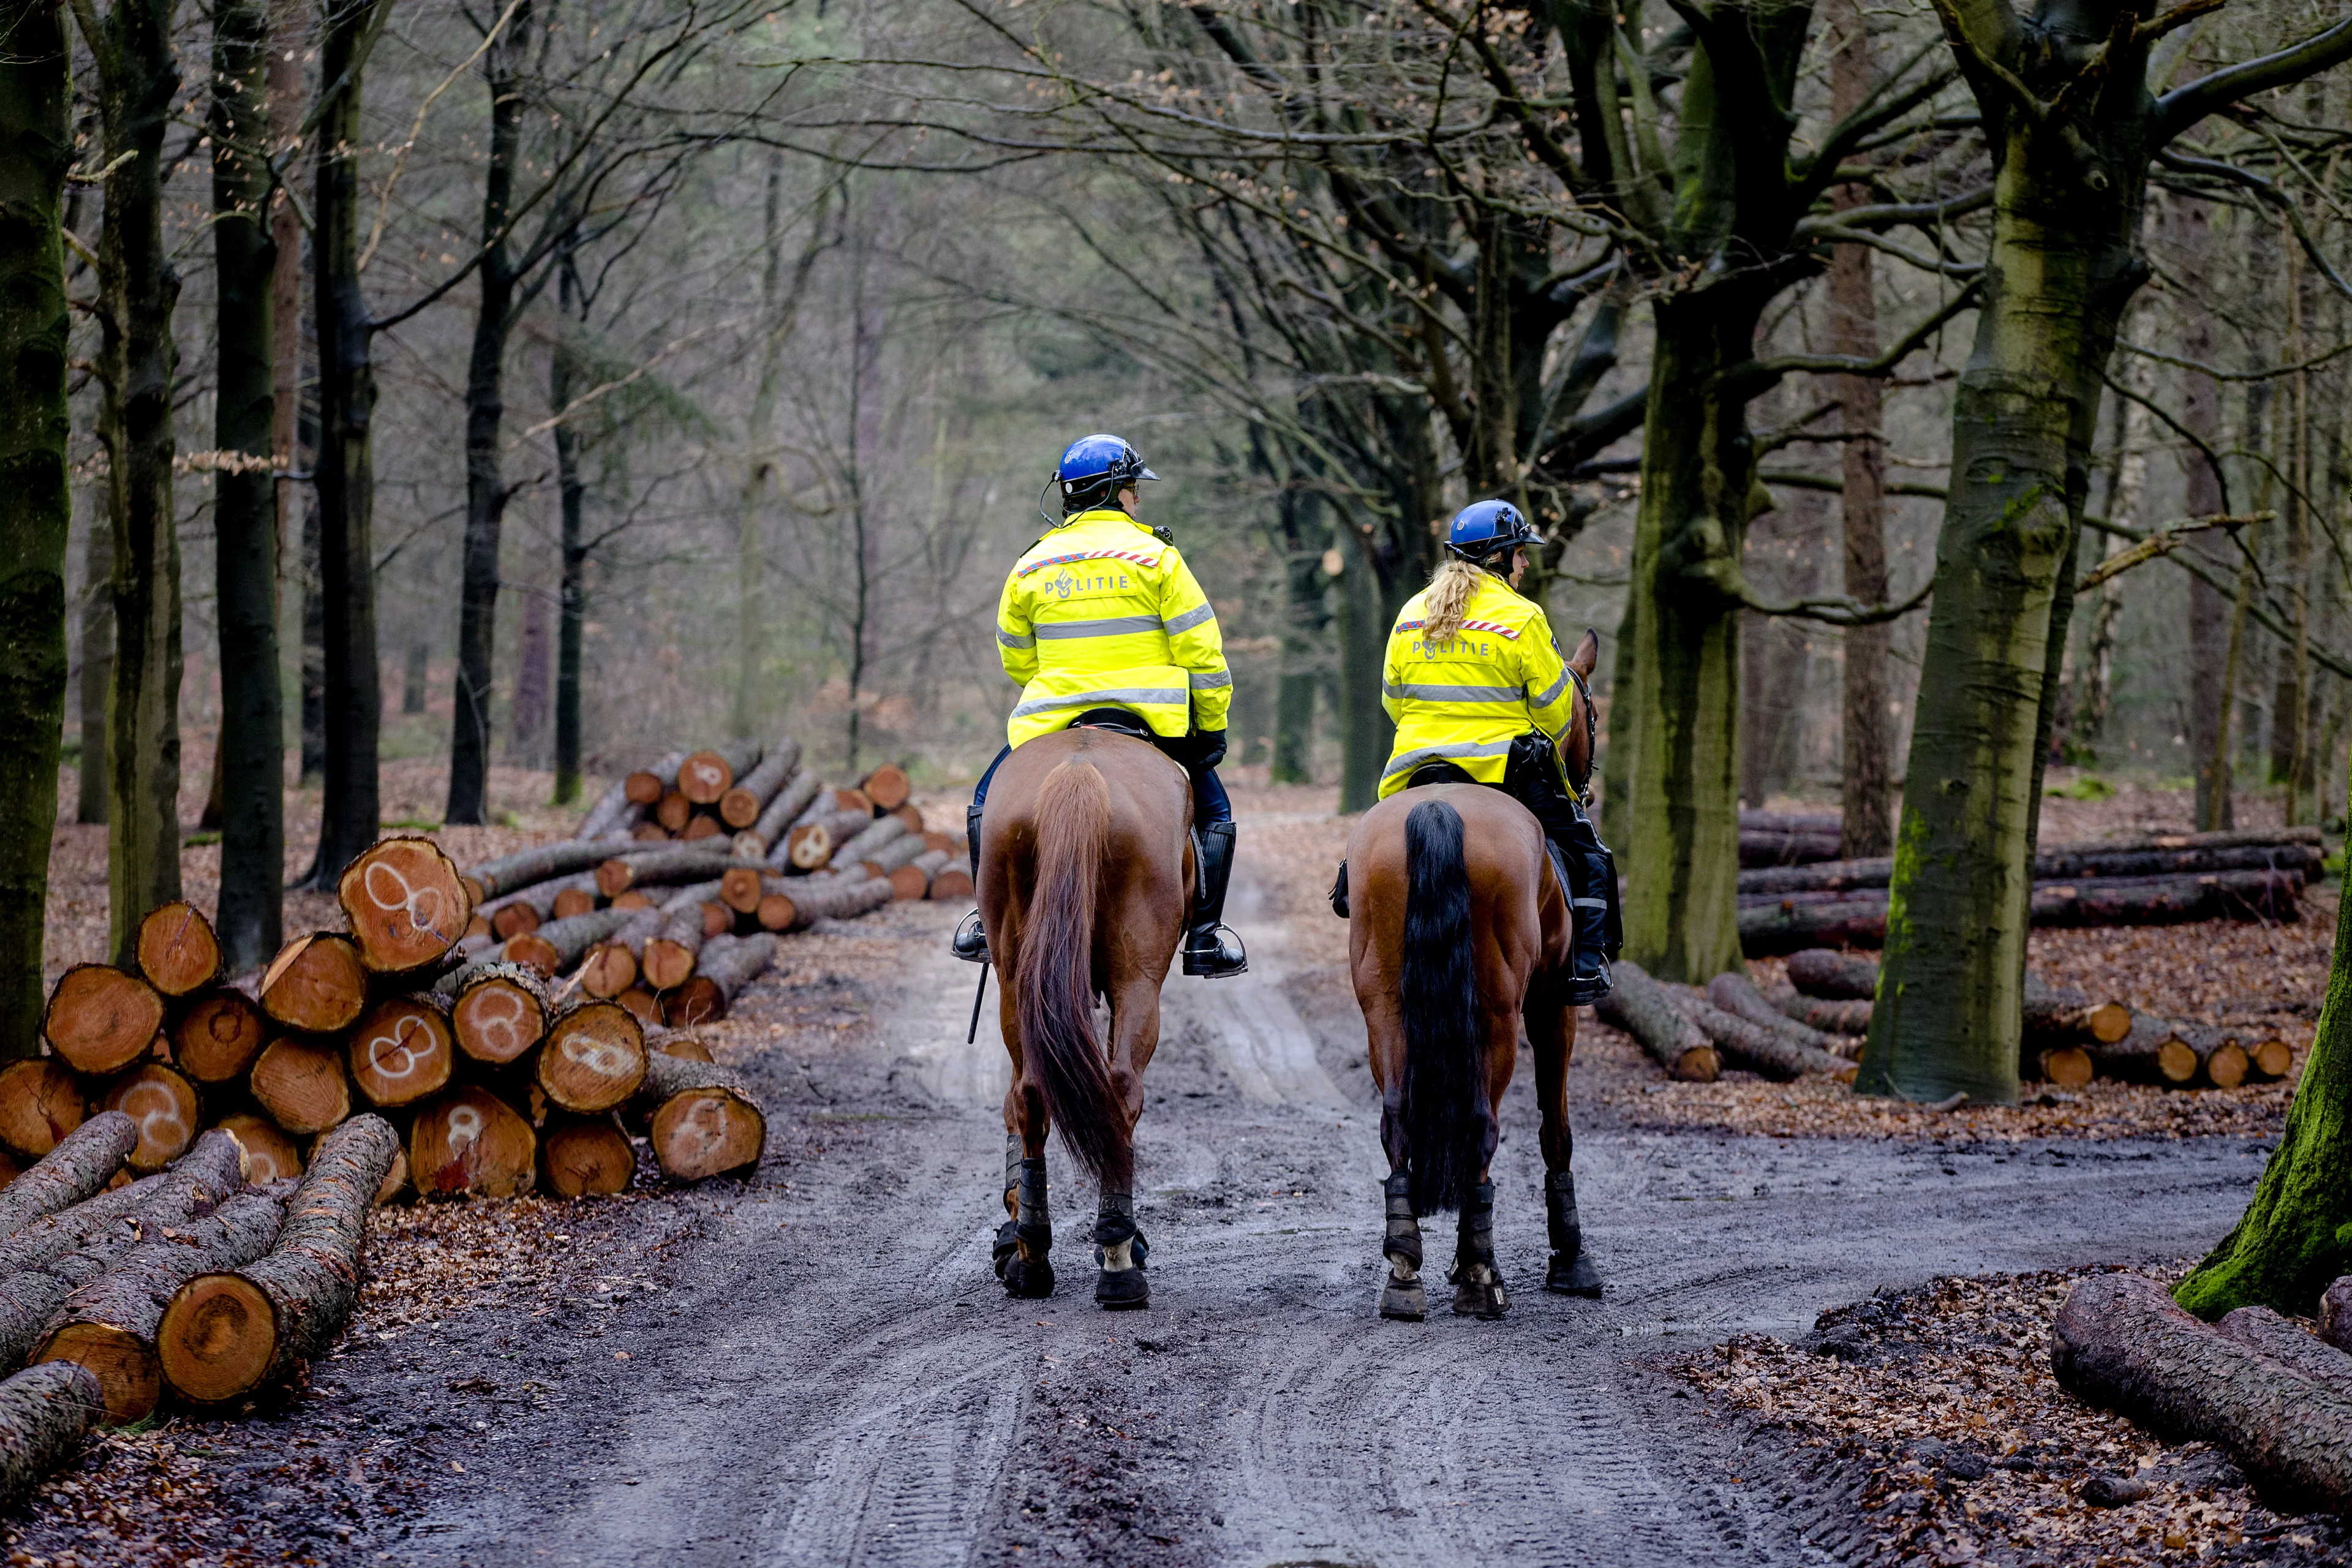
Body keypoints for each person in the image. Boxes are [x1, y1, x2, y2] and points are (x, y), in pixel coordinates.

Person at [949, 434, 1248, 978]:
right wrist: (1210, 726)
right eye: (1136, 488)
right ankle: (1206, 935)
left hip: (1051, 721)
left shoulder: (1031, 565)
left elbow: (1017, 659)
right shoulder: (1159, 559)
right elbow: (1203, 655)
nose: (1139, 499)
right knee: (1217, 812)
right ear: (1121, 492)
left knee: (984, 803)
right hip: (1150, 720)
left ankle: (984, 921)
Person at [1355, 498, 1619, 1001]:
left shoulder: (1412, 613)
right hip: (1504, 771)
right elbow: (1553, 711)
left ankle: (1351, 888)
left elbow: (1393, 700)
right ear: (1498, 558)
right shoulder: (1522, 616)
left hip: (1417, 769)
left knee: (1369, 849)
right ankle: (1586, 967)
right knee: (1590, 855)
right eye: (1520, 554)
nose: (1524, 564)